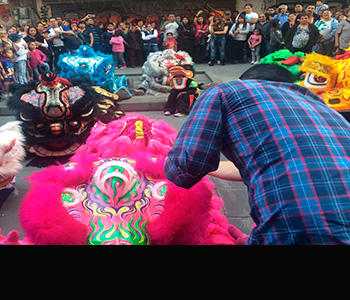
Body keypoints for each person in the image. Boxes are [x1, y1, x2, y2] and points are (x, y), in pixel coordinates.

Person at [164, 63, 350, 245]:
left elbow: (183, 170)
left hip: (298, 224)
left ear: (240, 81)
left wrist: (158, 156)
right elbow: (279, 164)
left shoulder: (226, 91)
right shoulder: (324, 109)